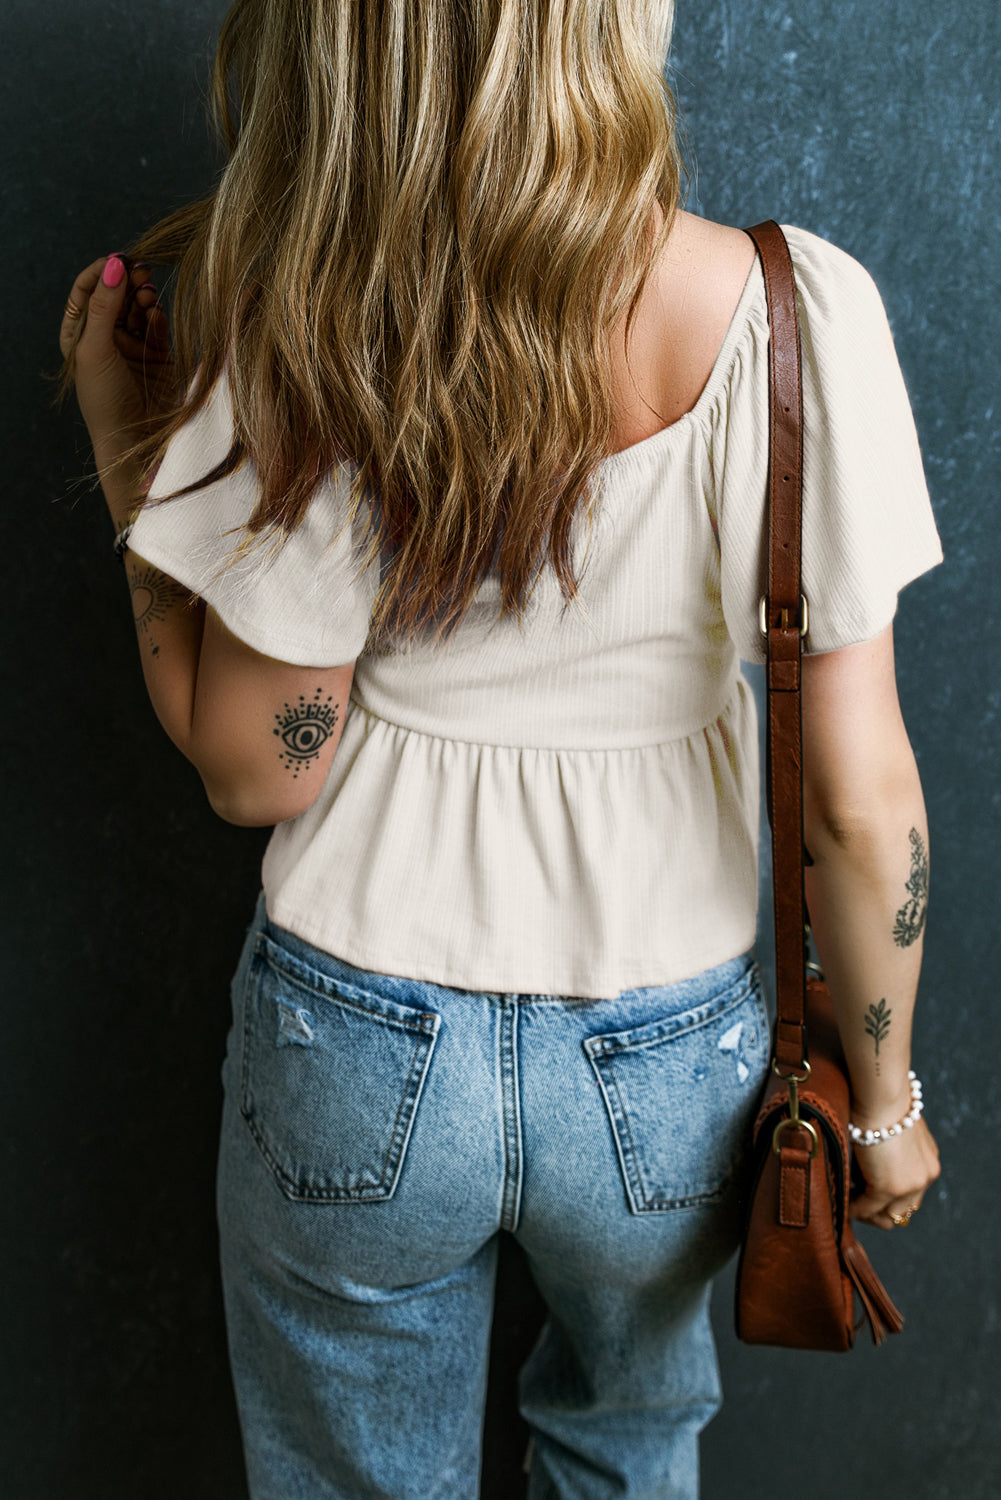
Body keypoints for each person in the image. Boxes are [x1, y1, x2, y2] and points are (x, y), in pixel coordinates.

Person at [57, 3, 942, 1495]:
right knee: (627, 1442)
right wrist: (889, 1102)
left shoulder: (301, 319)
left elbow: (260, 764)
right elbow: (858, 807)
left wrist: (130, 466)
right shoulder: (796, 320)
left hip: (352, 1036)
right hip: (663, 1063)